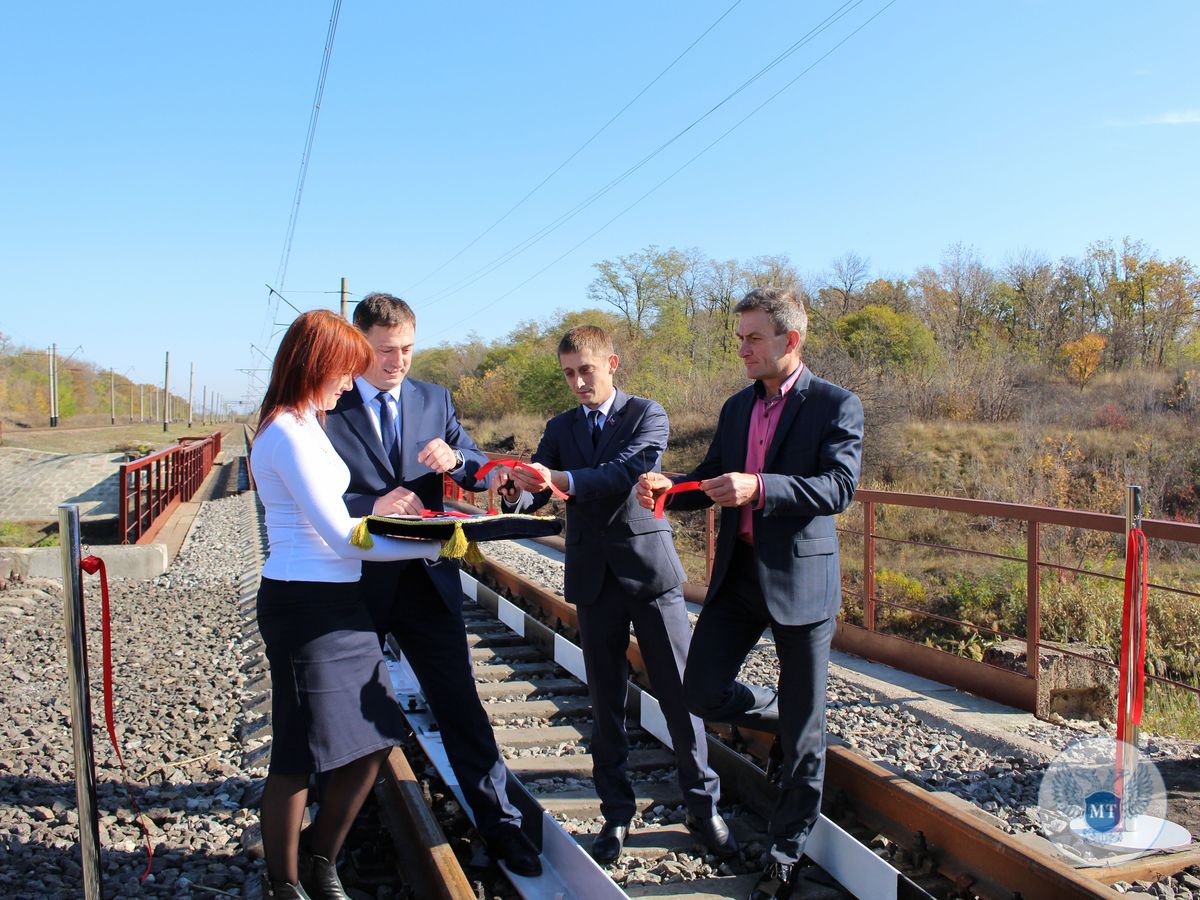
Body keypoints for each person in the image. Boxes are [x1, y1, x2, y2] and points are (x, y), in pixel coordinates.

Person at [636, 288, 863, 900]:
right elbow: (713, 474)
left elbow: (838, 487)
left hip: (801, 581)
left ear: (791, 341)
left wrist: (761, 487)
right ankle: (785, 710)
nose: (742, 349)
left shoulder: (836, 404)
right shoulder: (737, 407)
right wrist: (669, 487)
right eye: (739, 339)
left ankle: (787, 852)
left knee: (805, 739)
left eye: (753, 338)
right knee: (698, 690)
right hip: (737, 580)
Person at [497, 324, 736, 865]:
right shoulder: (559, 427)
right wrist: (523, 493)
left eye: (586, 370)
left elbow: (626, 472)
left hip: (648, 572)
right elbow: (544, 490)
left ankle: (704, 806)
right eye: (569, 374)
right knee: (604, 701)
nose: (578, 382)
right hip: (591, 575)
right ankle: (616, 814)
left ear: (612, 363)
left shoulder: (647, 415)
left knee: (681, 694)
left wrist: (557, 478)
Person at [323, 293, 542, 877]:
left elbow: (473, 463)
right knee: (347, 707)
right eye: (386, 350)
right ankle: (330, 831)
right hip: (357, 582)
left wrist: (456, 458)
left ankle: (502, 826)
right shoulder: (327, 404)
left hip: (427, 579)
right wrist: (369, 503)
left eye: (408, 350)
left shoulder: (434, 398)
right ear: (358, 344)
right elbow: (305, 497)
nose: (398, 361)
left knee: (461, 705)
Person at [250, 310, 444, 900]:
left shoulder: (309, 423)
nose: (348, 382)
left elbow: (350, 523)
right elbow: (339, 536)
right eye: (343, 370)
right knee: (296, 747)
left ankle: (320, 854)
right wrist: (438, 544)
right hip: (302, 605)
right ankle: (286, 882)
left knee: (379, 731)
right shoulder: (285, 431)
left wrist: (415, 528)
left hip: (340, 599)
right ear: (317, 366)